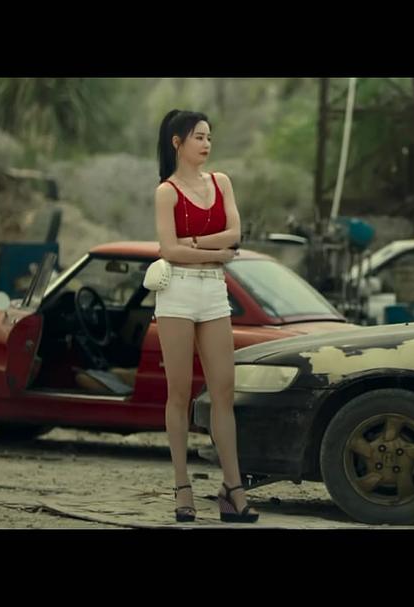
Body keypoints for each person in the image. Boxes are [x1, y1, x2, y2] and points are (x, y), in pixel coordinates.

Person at [153, 109, 257, 523]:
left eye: (209, 137)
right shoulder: (166, 192)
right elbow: (168, 250)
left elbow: (235, 234)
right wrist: (215, 253)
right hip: (176, 290)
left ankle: (232, 489)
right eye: (198, 137)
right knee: (179, 393)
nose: (206, 144)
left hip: (213, 290)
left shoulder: (221, 182)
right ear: (177, 142)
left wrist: (193, 244)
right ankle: (183, 488)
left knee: (223, 392)